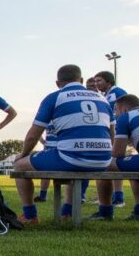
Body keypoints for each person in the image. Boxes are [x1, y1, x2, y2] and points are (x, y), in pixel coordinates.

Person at [12, 64, 113, 224]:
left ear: (58, 83)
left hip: (71, 157)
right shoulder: (102, 99)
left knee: (19, 166)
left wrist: (23, 155)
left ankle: (30, 215)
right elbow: (111, 133)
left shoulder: (55, 97)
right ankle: (68, 213)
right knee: (73, 164)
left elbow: (33, 135)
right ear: (80, 80)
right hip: (103, 160)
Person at [93, 71, 129, 207]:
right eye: (95, 81)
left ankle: (119, 198)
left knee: (116, 164)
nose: (96, 84)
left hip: (119, 133)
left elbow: (127, 110)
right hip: (108, 134)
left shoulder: (117, 92)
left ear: (109, 81)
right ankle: (105, 197)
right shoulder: (104, 95)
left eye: (99, 81)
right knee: (106, 165)